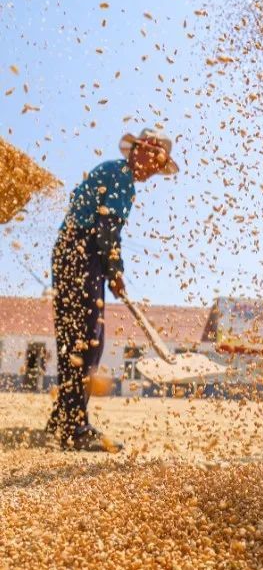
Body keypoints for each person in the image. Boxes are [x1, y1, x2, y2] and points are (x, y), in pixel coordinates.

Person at [46, 128, 179, 451]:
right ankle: (73, 429)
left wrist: (109, 271)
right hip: (83, 252)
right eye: (156, 162)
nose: (153, 172)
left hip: (68, 253)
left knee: (75, 341)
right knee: (87, 341)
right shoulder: (122, 176)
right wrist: (115, 272)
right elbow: (106, 227)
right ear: (144, 151)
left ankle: (62, 420)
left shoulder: (109, 169)